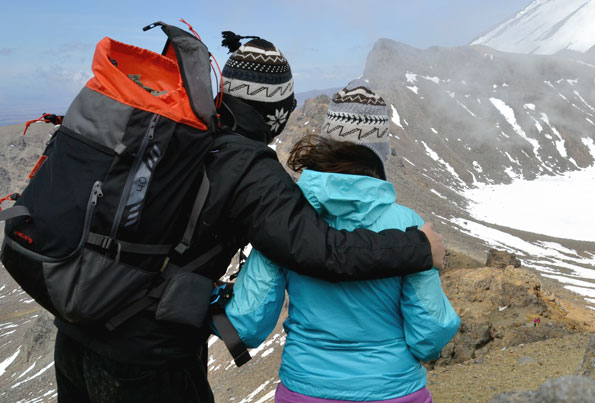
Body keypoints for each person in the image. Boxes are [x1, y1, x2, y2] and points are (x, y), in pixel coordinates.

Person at [53, 34, 445, 403]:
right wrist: (417, 246)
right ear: (272, 112)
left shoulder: (183, 141)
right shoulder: (250, 167)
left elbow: (248, 321)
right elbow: (318, 248)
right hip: (146, 356)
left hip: (75, 333)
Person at [224, 80, 460, 402]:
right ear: (380, 152)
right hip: (394, 390)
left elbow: (248, 324)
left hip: (305, 389)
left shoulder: (287, 221)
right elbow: (430, 335)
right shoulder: (409, 225)